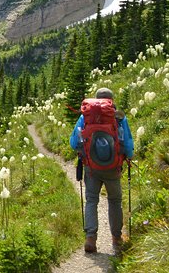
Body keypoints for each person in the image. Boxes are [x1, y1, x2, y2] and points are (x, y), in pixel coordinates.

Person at [69, 87, 134, 254]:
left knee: (91, 200)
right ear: (111, 100)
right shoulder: (118, 117)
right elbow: (127, 144)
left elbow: (73, 142)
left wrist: (83, 152)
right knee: (114, 201)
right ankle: (117, 239)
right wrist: (128, 156)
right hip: (113, 167)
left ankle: (91, 238)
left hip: (91, 167)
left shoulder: (85, 116)